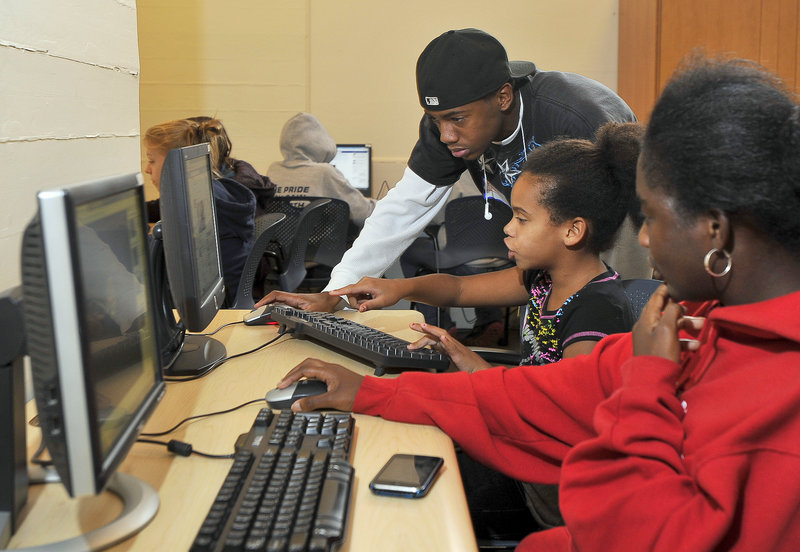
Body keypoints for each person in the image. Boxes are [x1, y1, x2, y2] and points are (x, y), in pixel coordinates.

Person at [269, 55, 800, 550]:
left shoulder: (773, 405)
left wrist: (647, 386)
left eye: (654, 218)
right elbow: (544, 394)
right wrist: (376, 394)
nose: (642, 240)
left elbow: (620, 519)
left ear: (715, 231)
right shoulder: (689, 328)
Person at [256, 28, 645, 317]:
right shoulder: (447, 130)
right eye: (436, 119)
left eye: (457, 118)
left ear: (503, 97)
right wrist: (336, 292)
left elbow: (636, 221)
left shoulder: (575, 115)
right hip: (549, 244)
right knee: (544, 316)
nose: (446, 135)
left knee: (609, 312)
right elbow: (402, 209)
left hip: (621, 216)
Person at [334, 121, 641, 374]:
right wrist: (399, 288)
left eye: (521, 218)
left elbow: (565, 412)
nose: (508, 228)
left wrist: (475, 366)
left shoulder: (597, 310)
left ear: (572, 231)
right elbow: (457, 290)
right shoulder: (543, 280)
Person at [144, 117, 256, 306]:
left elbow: (160, 275)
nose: (147, 169)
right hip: (229, 299)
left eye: (152, 160)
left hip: (219, 309)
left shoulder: (194, 212)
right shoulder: (215, 193)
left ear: (175, 163)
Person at [146, 116, 276, 221]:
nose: (147, 169)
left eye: (151, 160)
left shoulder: (217, 204)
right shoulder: (231, 182)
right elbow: (164, 208)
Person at [268, 112, 376, 228]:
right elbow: (363, 213)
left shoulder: (274, 170)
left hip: (278, 245)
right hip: (318, 244)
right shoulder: (324, 172)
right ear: (320, 143)